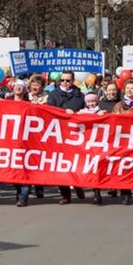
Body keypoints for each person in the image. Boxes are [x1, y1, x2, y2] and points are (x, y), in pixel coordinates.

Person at [47, 70, 86, 204]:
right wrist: (64, 112)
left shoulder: (80, 95)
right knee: (61, 165)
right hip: (59, 134)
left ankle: (78, 185)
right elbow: (49, 111)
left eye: (67, 80)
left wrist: (81, 112)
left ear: (73, 81)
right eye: (62, 80)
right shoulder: (53, 95)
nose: (64, 82)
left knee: (76, 163)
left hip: (76, 134)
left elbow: (86, 109)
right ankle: (65, 195)